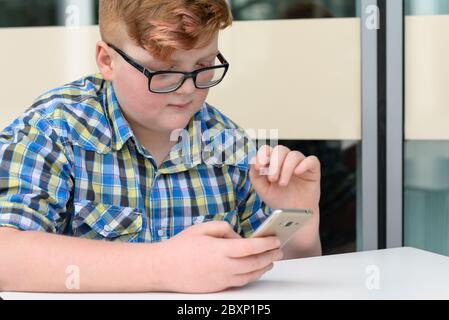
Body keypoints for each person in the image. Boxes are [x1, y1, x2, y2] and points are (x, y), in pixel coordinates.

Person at [0, 0, 321, 293]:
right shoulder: (53, 128)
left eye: (203, 66)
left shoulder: (228, 144)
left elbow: (278, 284)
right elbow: (6, 256)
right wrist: (161, 266)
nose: (186, 89)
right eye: (163, 71)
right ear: (107, 60)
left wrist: (300, 224)